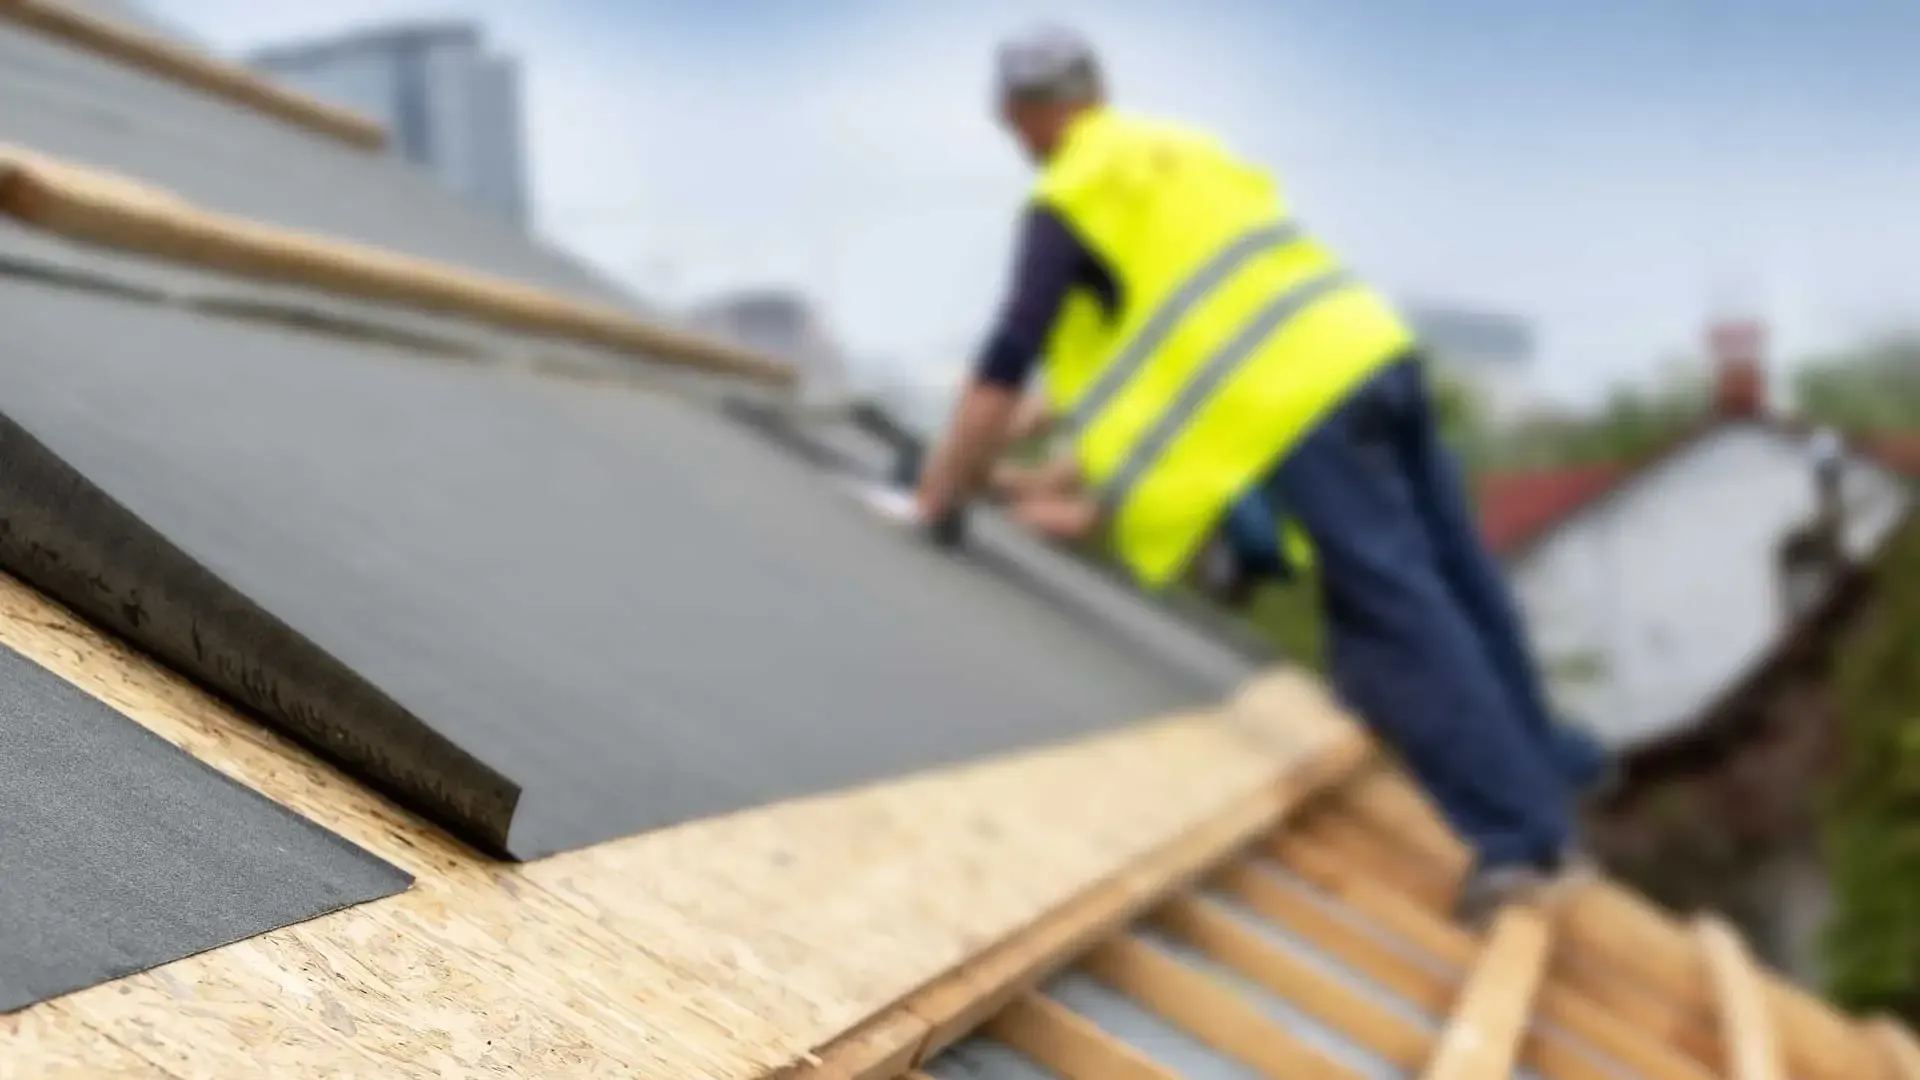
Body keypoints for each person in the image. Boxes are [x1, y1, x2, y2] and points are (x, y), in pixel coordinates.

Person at [904, 24, 1591, 924]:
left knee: (1393, 623)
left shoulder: (1073, 195)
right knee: (1458, 586)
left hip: (1302, 407)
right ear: (1095, 92)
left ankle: (1516, 844)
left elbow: (1002, 370)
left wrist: (936, 497)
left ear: (1021, 116)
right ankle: (1546, 795)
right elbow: (1158, 353)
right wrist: (1047, 461)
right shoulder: (1177, 153)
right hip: (1371, 353)